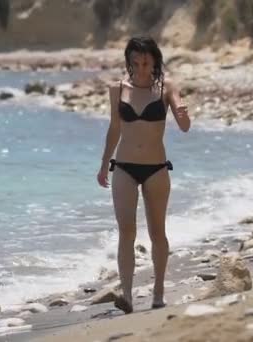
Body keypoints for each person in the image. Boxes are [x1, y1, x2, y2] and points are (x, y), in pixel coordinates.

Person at [96, 36, 191, 314]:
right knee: (126, 231)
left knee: (157, 232)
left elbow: (184, 126)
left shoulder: (166, 88)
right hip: (124, 166)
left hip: (156, 168)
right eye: (135, 63)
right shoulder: (117, 89)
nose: (140, 68)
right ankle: (126, 294)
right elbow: (115, 128)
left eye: (146, 63)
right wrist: (104, 165)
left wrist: (183, 113)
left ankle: (158, 291)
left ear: (155, 62)